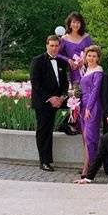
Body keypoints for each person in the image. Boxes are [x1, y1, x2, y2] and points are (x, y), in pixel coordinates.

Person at [30, 35, 69, 171]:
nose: (54, 48)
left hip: (59, 100)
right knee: (44, 131)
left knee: (75, 106)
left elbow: (65, 84)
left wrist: (62, 97)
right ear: (47, 46)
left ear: (59, 47)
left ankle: (66, 126)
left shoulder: (62, 63)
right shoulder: (37, 61)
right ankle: (44, 161)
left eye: (56, 46)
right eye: (51, 45)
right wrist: (51, 98)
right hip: (43, 101)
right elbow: (36, 83)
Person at [79, 45, 103, 177]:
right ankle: (89, 164)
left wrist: (89, 108)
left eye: (94, 56)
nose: (91, 58)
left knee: (90, 137)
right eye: (89, 55)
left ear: (98, 58)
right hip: (83, 105)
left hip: (92, 106)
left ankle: (87, 169)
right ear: (85, 57)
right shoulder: (85, 70)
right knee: (84, 136)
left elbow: (95, 90)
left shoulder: (98, 71)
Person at [58, 12, 93, 84]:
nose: (76, 25)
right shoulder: (64, 39)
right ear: (69, 24)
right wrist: (68, 60)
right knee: (77, 91)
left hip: (88, 69)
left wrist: (84, 60)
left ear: (81, 24)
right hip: (73, 71)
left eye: (78, 22)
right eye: (73, 22)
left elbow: (93, 52)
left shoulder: (86, 37)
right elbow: (58, 54)